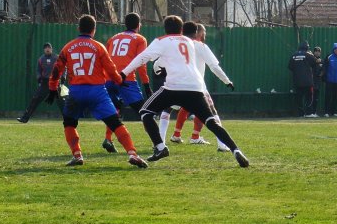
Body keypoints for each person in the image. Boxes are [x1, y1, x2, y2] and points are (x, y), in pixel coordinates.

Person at [121, 15, 248, 167]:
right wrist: (227, 81)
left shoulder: (162, 41)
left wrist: (123, 73)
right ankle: (236, 150)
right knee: (211, 121)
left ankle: (160, 147)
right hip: (196, 87)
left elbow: (144, 57)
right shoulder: (189, 42)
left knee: (145, 112)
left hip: (173, 87)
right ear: (181, 29)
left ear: (165, 29)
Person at [46, 15, 148, 168]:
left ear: (78, 28)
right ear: (94, 30)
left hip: (76, 91)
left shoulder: (68, 47)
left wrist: (52, 88)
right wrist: (120, 81)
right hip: (97, 91)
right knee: (115, 122)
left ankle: (77, 154)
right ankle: (132, 153)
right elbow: (111, 69)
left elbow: (56, 70)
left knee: (69, 123)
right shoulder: (99, 47)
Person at [164, 23, 236, 151]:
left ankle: (162, 142)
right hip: (196, 86)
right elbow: (214, 66)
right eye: (203, 32)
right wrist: (227, 81)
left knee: (167, 110)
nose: (204, 35)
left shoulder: (175, 45)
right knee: (212, 113)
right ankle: (221, 145)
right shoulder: (200, 46)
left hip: (177, 85)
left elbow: (161, 62)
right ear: (198, 32)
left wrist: (157, 67)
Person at [101, 13, 151, 154]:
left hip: (109, 78)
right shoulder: (140, 39)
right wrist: (146, 84)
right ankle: (157, 143)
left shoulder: (113, 38)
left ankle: (108, 139)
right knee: (144, 111)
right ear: (138, 24)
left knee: (114, 109)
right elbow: (141, 63)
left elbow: (105, 59)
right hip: (125, 79)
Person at [17, 42, 61, 123]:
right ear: (44, 50)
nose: (47, 49)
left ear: (51, 49)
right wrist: (39, 78)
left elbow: (63, 68)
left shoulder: (57, 58)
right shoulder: (41, 59)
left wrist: (63, 78)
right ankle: (24, 118)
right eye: (46, 48)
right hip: (45, 83)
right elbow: (38, 70)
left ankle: (70, 119)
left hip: (55, 82)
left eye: (49, 47)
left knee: (62, 102)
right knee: (35, 99)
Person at [288, 41, 318, 117]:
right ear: (307, 47)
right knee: (309, 97)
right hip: (308, 81)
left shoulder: (293, 55)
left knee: (299, 98)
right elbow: (315, 62)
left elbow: (290, 67)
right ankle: (309, 113)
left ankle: (301, 114)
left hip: (297, 81)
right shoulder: (308, 55)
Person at [311, 46, 325, 116]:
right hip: (311, 82)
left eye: (318, 51)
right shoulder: (311, 59)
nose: (317, 52)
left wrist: (322, 73)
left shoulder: (322, 61)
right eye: (316, 51)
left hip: (318, 82)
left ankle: (314, 112)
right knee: (310, 98)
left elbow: (324, 69)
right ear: (314, 52)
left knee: (316, 98)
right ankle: (309, 112)